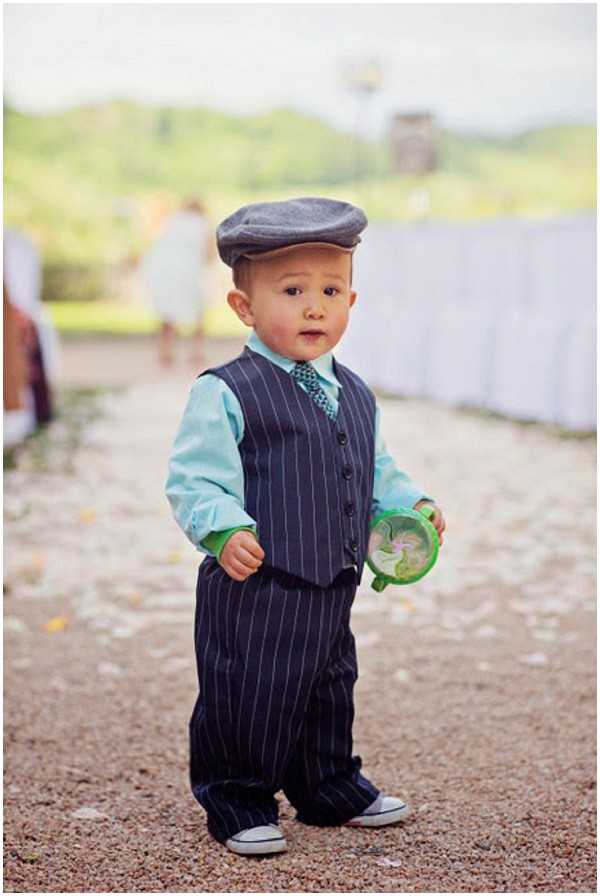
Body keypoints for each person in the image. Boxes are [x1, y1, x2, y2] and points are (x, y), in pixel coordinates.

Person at [166, 197, 446, 856]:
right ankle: (236, 795)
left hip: (332, 577)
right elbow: (193, 478)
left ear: (353, 299)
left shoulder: (356, 392)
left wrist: (411, 508)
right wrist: (222, 529)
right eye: (292, 291)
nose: (315, 306)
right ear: (244, 307)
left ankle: (326, 783)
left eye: (330, 290)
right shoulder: (226, 390)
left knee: (327, 682)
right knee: (250, 688)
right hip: (257, 584)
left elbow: (375, 470)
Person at [140, 196, 213, 367]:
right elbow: (208, 253)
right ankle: (197, 352)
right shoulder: (202, 222)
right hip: (189, 269)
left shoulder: (172, 221)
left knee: (167, 311)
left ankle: (165, 352)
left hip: (161, 269)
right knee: (198, 310)